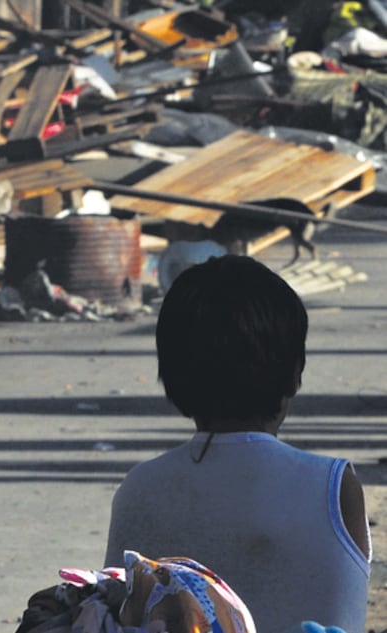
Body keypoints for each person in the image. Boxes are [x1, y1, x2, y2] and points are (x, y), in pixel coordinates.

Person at [103, 254, 371, 633]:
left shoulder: (139, 489)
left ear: (172, 378)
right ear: (296, 373)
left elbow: (110, 613)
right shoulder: (331, 487)